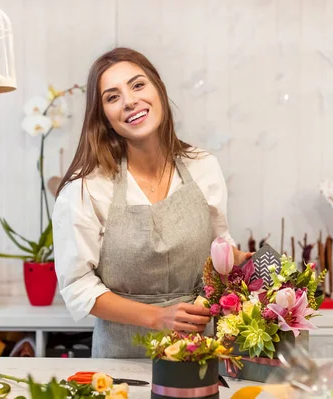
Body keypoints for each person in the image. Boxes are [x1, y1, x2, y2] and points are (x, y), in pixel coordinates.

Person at [52, 47, 251, 358]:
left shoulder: (203, 166)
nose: (130, 100)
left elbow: (219, 246)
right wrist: (158, 317)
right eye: (112, 97)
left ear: (159, 88)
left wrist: (245, 263)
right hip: (121, 359)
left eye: (138, 85)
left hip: (200, 351)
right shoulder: (85, 189)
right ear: (103, 116)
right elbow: (78, 287)